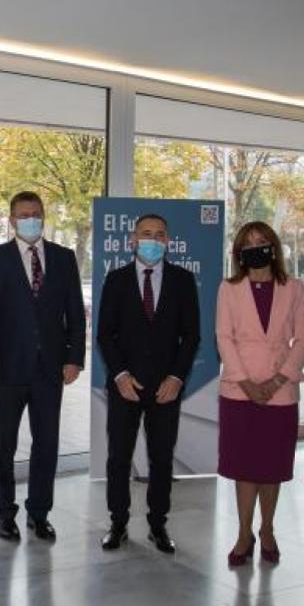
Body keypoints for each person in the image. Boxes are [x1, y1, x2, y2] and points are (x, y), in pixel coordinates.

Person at [0, 191, 85, 542]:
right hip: (6, 370)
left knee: (47, 444)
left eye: (36, 214)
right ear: (11, 220)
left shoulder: (64, 258)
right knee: (3, 446)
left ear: (44, 217)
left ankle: (39, 513)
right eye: (24, 214)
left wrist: (73, 358)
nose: (31, 219)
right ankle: (5, 513)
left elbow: (75, 314)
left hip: (49, 369)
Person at [96, 213, 200, 554]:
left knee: (161, 458)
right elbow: (105, 335)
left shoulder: (184, 281)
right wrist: (120, 375)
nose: (152, 239)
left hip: (166, 388)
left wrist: (177, 377)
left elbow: (191, 336)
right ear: (133, 240)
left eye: (159, 234)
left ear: (167, 242)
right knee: (119, 458)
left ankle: (158, 524)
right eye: (146, 234)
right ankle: (118, 523)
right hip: (125, 385)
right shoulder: (116, 279)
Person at [215, 221, 304, 565]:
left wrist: (275, 381)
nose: (256, 247)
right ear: (239, 252)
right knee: (245, 466)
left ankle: (267, 528)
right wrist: (245, 382)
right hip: (238, 391)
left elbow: (302, 338)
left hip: (281, 390)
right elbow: (223, 337)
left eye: (262, 241)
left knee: (272, 466)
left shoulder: (295, 288)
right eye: (248, 242)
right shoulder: (229, 288)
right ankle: (244, 532)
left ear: (274, 246)